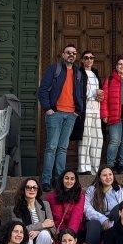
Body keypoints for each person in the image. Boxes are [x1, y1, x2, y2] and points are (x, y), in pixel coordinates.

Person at [37, 44, 85, 190]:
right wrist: (48, 108)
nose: (71, 55)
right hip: (55, 113)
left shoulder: (78, 73)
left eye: (74, 53)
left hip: (71, 115)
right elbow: (42, 90)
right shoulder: (54, 69)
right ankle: (46, 180)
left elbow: (81, 93)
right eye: (68, 52)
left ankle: (59, 180)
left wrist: (78, 110)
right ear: (63, 55)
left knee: (63, 148)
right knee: (51, 147)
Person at [83, 164, 123, 244]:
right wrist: (103, 220)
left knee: (120, 208)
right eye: (104, 175)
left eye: (110, 174)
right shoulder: (92, 190)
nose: (108, 177)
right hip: (96, 220)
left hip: (114, 220)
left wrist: (111, 222)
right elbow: (86, 208)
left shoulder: (119, 190)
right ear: (99, 177)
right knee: (93, 225)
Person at [12, 178, 55, 244]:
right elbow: (20, 229)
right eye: (28, 187)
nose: (32, 190)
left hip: (43, 239)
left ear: (38, 190)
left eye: (34, 187)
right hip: (27, 238)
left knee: (44, 234)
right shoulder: (17, 208)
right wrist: (42, 225)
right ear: (23, 189)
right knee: (28, 237)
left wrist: (39, 231)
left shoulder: (45, 205)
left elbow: (52, 227)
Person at [78, 49, 104, 175]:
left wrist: (100, 96)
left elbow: (99, 91)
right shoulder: (79, 73)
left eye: (91, 58)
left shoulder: (95, 73)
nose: (89, 60)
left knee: (98, 139)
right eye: (86, 58)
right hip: (85, 110)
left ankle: (95, 169)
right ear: (82, 60)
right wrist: (93, 93)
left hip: (96, 110)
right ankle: (84, 168)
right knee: (85, 139)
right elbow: (78, 91)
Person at [46, 170, 85, 236]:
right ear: (62, 179)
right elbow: (49, 216)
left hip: (73, 231)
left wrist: (69, 233)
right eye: (66, 178)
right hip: (55, 230)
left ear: (75, 181)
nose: (69, 181)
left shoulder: (80, 196)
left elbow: (76, 216)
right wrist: (54, 231)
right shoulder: (51, 196)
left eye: (72, 179)